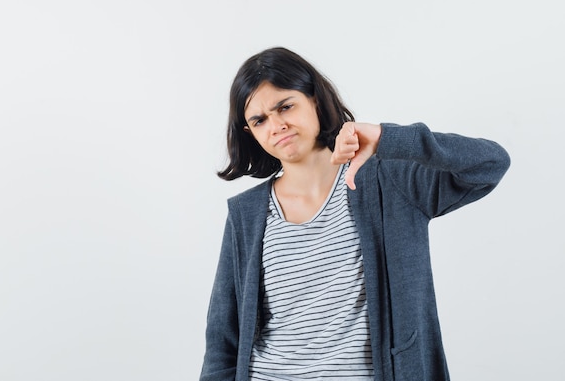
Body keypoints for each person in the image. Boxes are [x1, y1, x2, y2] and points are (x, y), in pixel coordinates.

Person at [199, 47, 510, 381]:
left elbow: (489, 164)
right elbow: (223, 340)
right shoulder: (246, 214)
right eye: (259, 120)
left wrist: (387, 138)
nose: (277, 126)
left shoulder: (389, 182)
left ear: (314, 100)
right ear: (250, 132)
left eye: (285, 106)